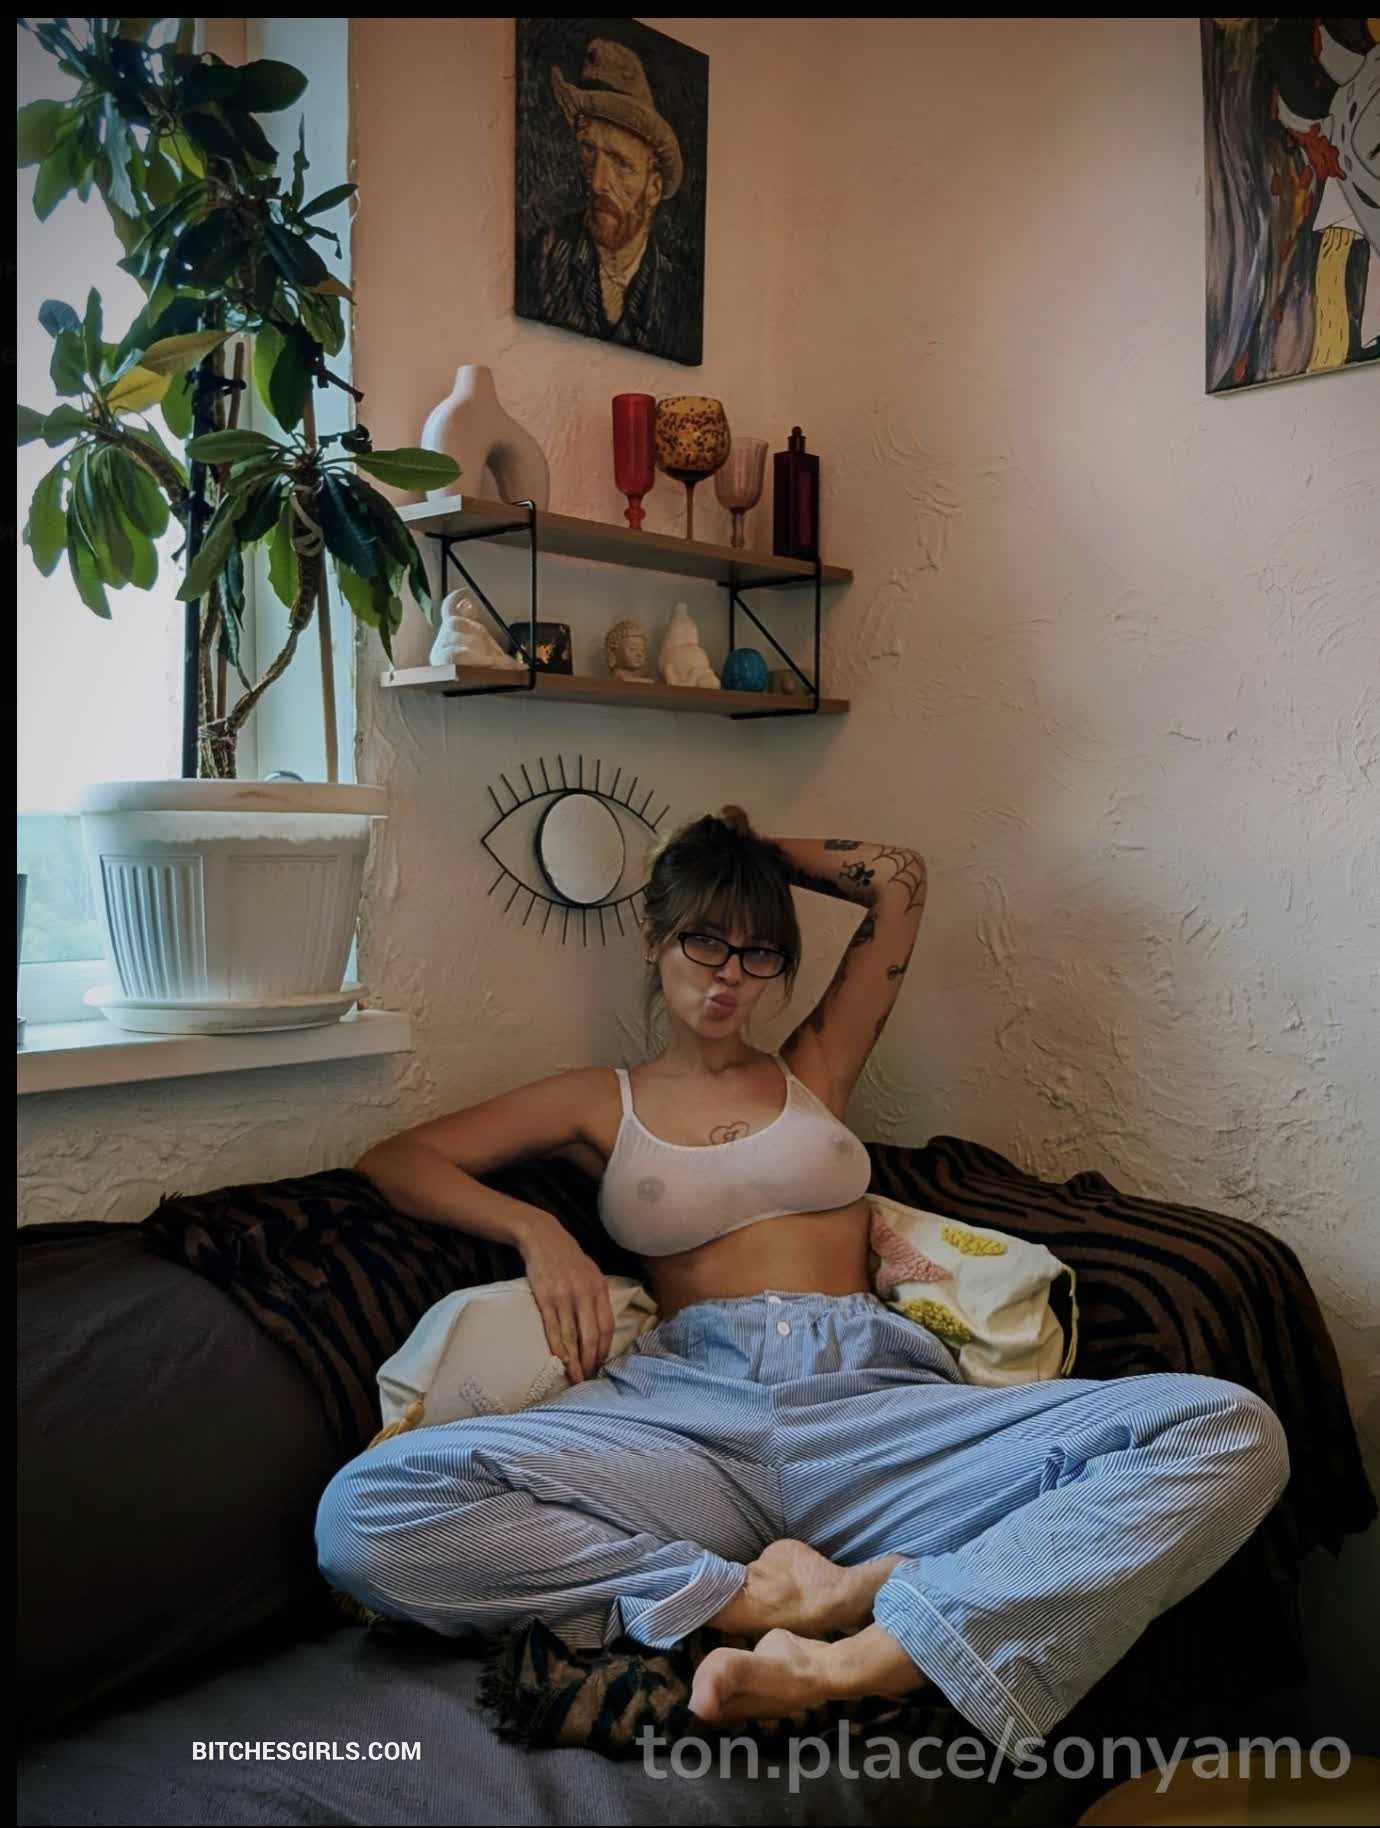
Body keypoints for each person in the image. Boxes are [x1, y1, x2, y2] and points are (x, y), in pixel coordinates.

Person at [317, 809, 1288, 1741]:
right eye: (704, 940)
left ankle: (860, 1658)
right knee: (366, 1510)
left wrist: (746, 849)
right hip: (686, 1417)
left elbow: (898, 880)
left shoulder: (813, 1068)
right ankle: (748, 1600)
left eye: (760, 952)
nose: (729, 975)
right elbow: (399, 1159)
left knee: (1226, 1427)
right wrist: (538, 1231)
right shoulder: (599, 1099)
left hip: (878, 1406)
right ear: (654, 934)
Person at [517, 37, 700, 364]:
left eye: (620, 162)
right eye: (589, 151)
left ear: (654, 188)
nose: (598, 182)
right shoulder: (541, 257)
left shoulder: (679, 296)